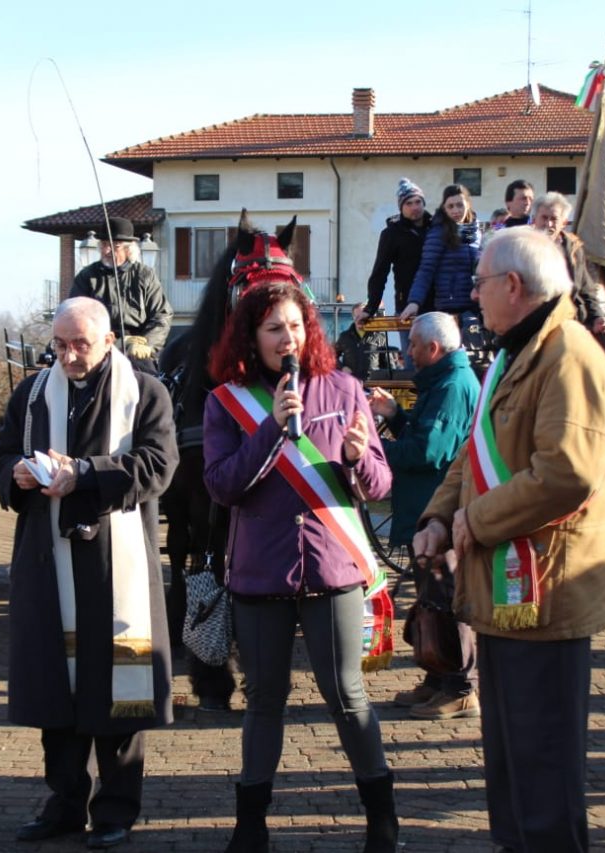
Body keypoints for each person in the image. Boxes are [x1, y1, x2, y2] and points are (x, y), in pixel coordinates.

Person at [412, 227, 605, 852]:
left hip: (547, 597)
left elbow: (565, 472)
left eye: (478, 283)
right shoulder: (515, 352)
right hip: (505, 596)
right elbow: (474, 457)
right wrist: (439, 518)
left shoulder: (570, 354)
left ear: (512, 285)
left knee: (544, 776)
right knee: (510, 772)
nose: (472, 296)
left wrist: (475, 521)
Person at [203, 281, 398, 852]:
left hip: (332, 568)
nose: (287, 337)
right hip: (261, 574)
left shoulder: (343, 388)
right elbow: (220, 486)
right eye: (273, 329)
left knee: (346, 693)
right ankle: (251, 823)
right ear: (251, 338)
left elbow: (380, 485)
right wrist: (271, 429)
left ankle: (381, 818)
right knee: (264, 698)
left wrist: (360, 460)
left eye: (294, 325)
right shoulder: (225, 402)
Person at [0, 297, 177, 850]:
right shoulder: (30, 396)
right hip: (48, 562)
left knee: (117, 691)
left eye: (81, 344)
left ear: (110, 341)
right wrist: (17, 475)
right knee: (56, 690)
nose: (69, 355)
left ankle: (117, 808)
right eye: (61, 344)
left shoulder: (145, 393)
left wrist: (86, 474)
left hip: (113, 564)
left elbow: (159, 465)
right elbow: (0, 457)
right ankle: (65, 803)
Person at [367, 312, 479, 720]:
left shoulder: (451, 386)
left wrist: (370, 452)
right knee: (432, 600)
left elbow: (427, 452)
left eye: (412, 344)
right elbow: (423, 437)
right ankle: (437, 677)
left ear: (432, 349)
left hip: (438, 511)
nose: (407, 352)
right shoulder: (444, 381)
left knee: (445, 596)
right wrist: (396, 414)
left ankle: (461, 686)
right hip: (427, 508)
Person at [68, 216, 172, 373]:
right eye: (104, 245)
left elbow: (162, 315)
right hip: (98, 350)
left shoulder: (145, 275)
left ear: (128, 249)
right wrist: (111, 342)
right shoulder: (87, 276)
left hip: (137, 349)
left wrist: (147, 343)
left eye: (115, 246)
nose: (107, 250)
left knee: (153, 385)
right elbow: (75, 316)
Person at [400, 184, 481, 321]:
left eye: (460, 205)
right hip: (449, 308)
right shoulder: (438, 232)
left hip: (475, 306)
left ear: (467, 204)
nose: (456, 210)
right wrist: (414, 302)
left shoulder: (476, 231)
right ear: (444, 208)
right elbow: (426, 269)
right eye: (450, 206)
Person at [364, 177, 431, 326]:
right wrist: (371, 307)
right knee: (412, 349)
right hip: (406, 306)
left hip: (436, 306)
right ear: (401, 207)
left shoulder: (435, 229)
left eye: (418, 202)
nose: (414, 207)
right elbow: (380, 272)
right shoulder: (391, 234)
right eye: (409, 203)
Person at [335, 301, 387, 381]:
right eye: (356, 317)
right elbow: (331, 357)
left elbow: (387, 364)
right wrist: (342, 368)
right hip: (351, 384)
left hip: (372, 386)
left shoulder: (379, 337)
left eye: (362, 317)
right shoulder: (344, 337)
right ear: (353, 317)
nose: (359, 320)